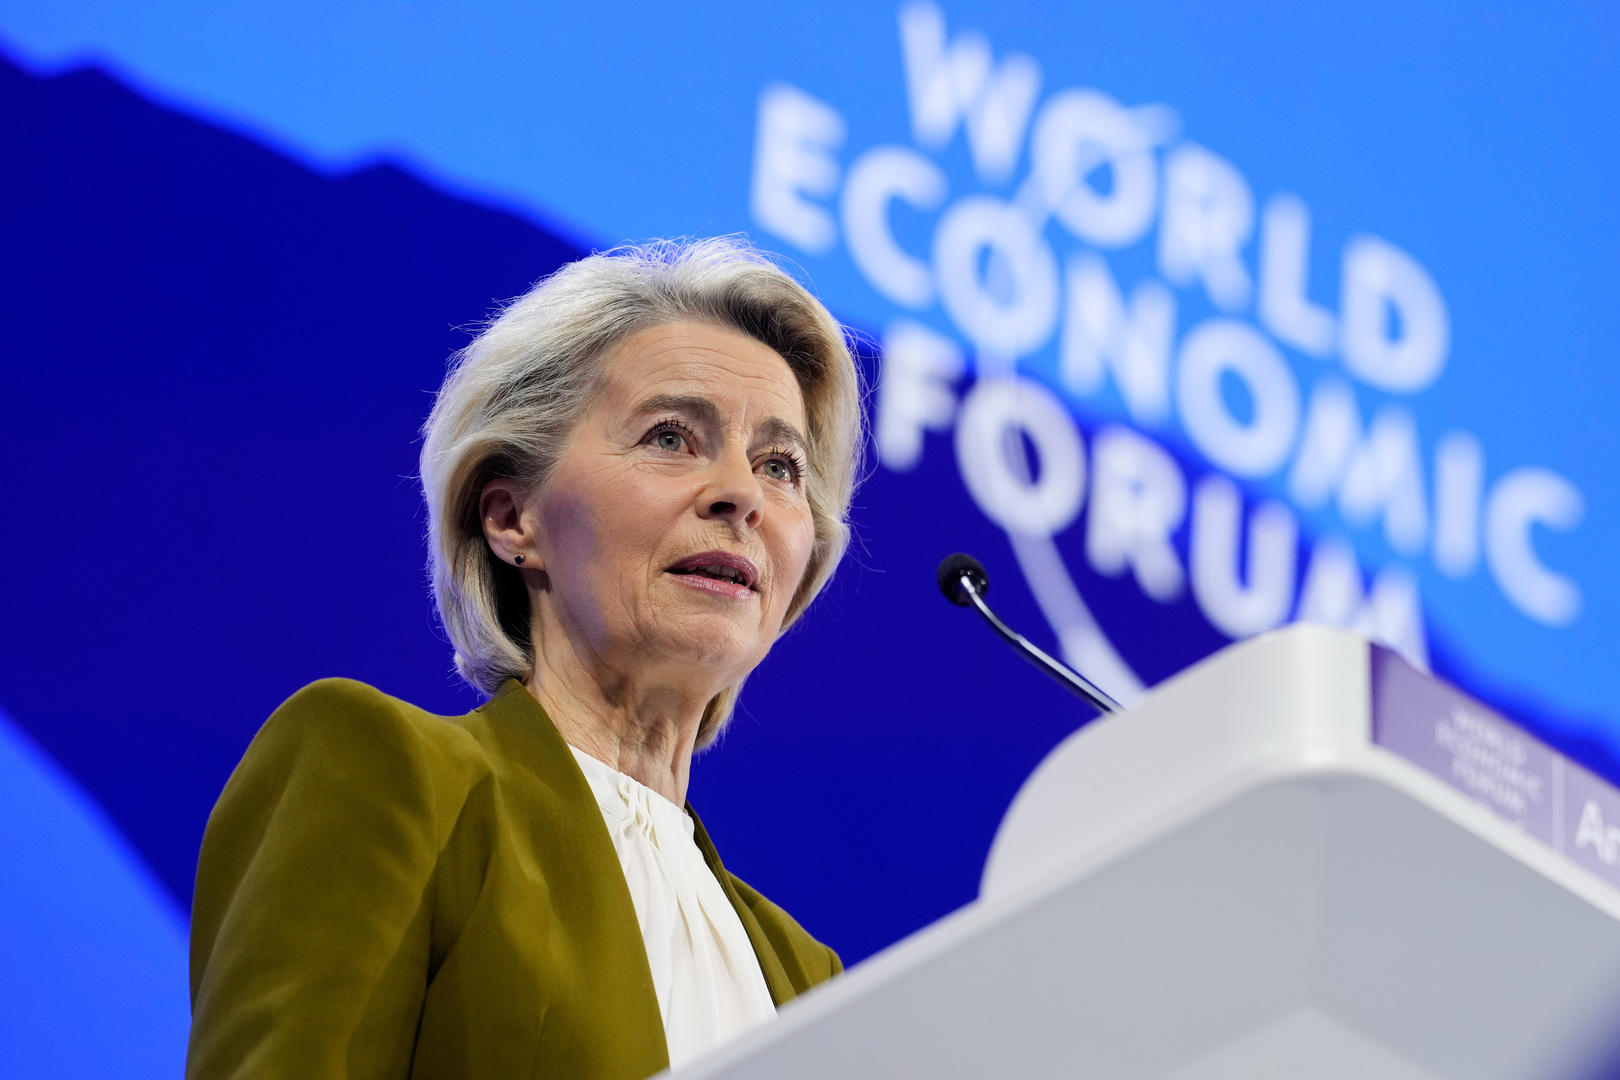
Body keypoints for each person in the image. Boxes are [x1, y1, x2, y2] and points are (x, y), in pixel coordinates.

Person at [185, 237, 864, 1080]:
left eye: (781, 465)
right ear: (512, 518)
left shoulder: (808, 977)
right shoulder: (387, 775)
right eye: (670, 436)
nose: (744, 495)